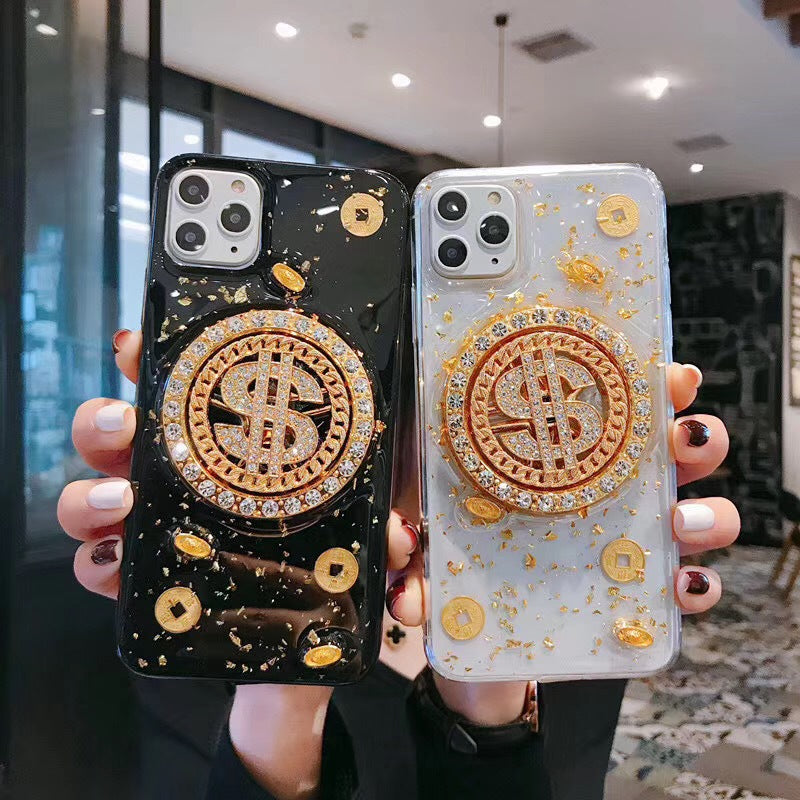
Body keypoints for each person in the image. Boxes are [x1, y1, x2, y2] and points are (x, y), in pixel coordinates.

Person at [58, 330, 738, 800]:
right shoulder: (212, 609)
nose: (411, 438)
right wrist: (282, 684)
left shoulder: (570, 611)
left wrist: (489, 688)